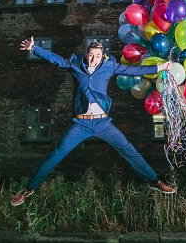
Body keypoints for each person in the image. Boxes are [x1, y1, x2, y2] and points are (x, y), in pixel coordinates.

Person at [11, 37, 176, 206]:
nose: (93, 59)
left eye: (97, 56)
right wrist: (34, 49)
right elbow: (57, 60)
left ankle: (155, 181)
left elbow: (132, 71)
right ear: (86, 54)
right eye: (91, 55)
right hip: (81, 124)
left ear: (102, 56)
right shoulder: (76, 66)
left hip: (103, 123)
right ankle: (28, 188)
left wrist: (160, 67)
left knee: (128, 149)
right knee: (57, 153)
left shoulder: (108, 66)